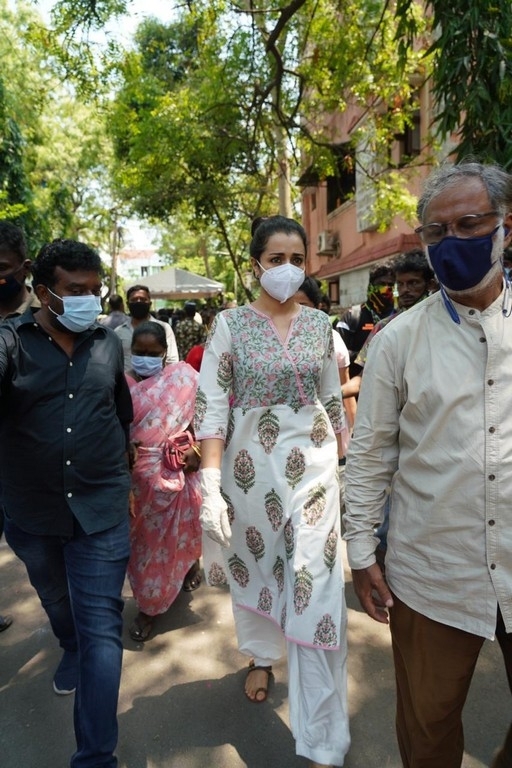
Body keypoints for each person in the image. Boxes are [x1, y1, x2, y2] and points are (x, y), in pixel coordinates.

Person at [343, 161, 512, 768]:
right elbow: (370, 454)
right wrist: (361, 550)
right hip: (434, 573)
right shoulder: (397, 340)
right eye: (436, 232)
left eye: (469, 225)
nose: (451, 242)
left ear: (506, 227)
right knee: (428, 729)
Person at [195, 215, 350, 768]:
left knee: (316, 589)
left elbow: (331, 401)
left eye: (297, 259)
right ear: (255, 264)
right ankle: (262, 655)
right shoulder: (229, 325)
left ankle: (323, 737)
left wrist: (346, 468)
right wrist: (210, 484)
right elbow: (212, 406)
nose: (288, 269)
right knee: (257, 569)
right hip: (249, 473)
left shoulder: (321, 325)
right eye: (276, 259)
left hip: (315, 470)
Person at [0, 239, 133, 768]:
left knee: (102, 627)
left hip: (102, 509)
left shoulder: (108, 343)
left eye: (94, 290)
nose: (88, 301)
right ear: (43, 291)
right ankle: (67, 644)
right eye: (75, 291)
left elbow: (119, 413)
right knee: (56, 598)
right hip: (33, 513)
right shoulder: (11, 342)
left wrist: (130, 480)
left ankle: (96, 758)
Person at [125, 321, 202, 642]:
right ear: (130, 352)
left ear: (164, 353)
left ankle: (152, 607)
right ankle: (150, 601)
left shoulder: (184, 379)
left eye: (152, 352)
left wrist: (197, 450)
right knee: (144, 548)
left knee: (180, 536)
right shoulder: (120, 385)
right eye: (139, 352)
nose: (145, 358)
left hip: (179, 473)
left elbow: (206, 419)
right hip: (137, 485)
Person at [0, 220, 40, 634]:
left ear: (24, 268)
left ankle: (68, 622)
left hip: (37, 463)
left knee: (40, 554)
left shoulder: (50, 317)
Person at [341, 250, 436, 400]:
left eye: (413, 283)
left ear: (430, 284)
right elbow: (364, 377)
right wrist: (334, 395)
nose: (405, 290)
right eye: (401, 284)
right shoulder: (383, 327)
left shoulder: (444, 322)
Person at [336, 261, 396, 377]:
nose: (386, 289)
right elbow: (338, 354)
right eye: (381, 284)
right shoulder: (352, 316)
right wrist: (367, 355)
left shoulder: (398, 316)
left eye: (390, 285)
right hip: (356, 383)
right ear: (370, 286)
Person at [115, 284, 179, 371]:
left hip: (159, 379)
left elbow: (172, 361)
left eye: (143, 299)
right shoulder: (119, 332)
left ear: (150, 303)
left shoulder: (164, 328)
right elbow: (115, 362)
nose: (138, 302)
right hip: (127, 379)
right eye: (134, 300)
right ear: (127, 304)